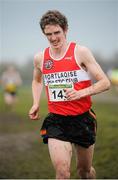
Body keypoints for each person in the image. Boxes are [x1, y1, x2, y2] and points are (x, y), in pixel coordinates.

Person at [29, 10, 110, 179]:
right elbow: (37, 81)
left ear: (65, 29)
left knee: (84, 171)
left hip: (83, 119)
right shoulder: (40, 58)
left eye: (57, 32)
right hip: (56, 121)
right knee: (62, 172)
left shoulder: (80, 52)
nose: (53, 38)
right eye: (48, 34)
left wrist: (81, 93)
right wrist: (36, 102)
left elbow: (105, 82)